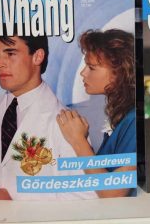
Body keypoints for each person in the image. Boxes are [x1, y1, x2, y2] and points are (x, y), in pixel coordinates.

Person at [0, 34, 95, 201]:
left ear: (38, 56)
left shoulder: (67, 123)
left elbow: (87, 193)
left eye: (10, 53)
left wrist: (16, 199)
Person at [57, 29, 136, 198]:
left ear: (119, 73)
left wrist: (78, 140)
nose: (83, 73)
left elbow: (113, 193)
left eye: (91, 67)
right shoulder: (123, 118)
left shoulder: (133, 120)